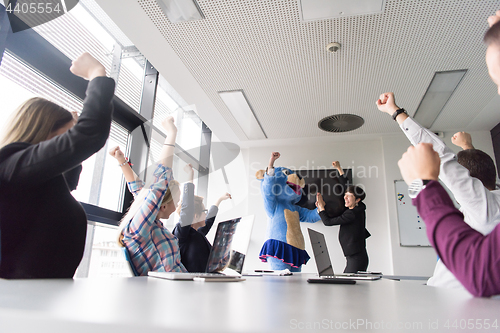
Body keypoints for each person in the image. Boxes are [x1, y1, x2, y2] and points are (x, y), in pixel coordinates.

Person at [0, 52, 115, 279]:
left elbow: (69, 176)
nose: (65, 146)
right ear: (45, 131)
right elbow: (87, 136)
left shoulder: (41, 182)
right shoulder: (12, 166)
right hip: (19, 305)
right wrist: (96, 75)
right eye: (64, 137)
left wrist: (73, 128)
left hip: (42, 300)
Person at [376, 92, 500, 291]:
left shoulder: (482, 207)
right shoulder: (491, 200)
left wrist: (395, 111)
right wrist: (468, 147)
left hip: (450, 303)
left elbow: (442, 157)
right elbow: (482, 174)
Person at [398, 143, 500, 297]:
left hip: (464, 308)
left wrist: (421, 184)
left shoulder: (486, 207)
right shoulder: (481, 208)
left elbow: (479, 273)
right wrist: (468, 146)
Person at [110, 116, 186, 275]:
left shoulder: (148, 223)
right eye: (177, 202)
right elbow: (161, 178)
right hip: (171, 294)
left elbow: (138, 190)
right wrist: (171, 133)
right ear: (163, 205)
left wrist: (122, 161)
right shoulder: (139, 228)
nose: (177, 206)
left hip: (181, 286)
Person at [172, 163, 232, 272]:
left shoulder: (197, 233)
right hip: (190, 285)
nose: (206, 214)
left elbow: (209, 220)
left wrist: (219, 200)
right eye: (204, 211)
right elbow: (187, 209)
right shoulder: (182, 234)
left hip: (204, 281)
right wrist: (190, 175)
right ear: (194, 216)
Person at [316, 161, 371, 273]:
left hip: (356, 258)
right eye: (345, 195)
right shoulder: (359, 206)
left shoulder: (351, 214)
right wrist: (339, 168)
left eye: (349, 196)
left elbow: (328, 222)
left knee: (349, 286)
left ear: (357, 199)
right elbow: (346, 186)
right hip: (357, 256)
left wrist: (321, 207)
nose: (345, 198)